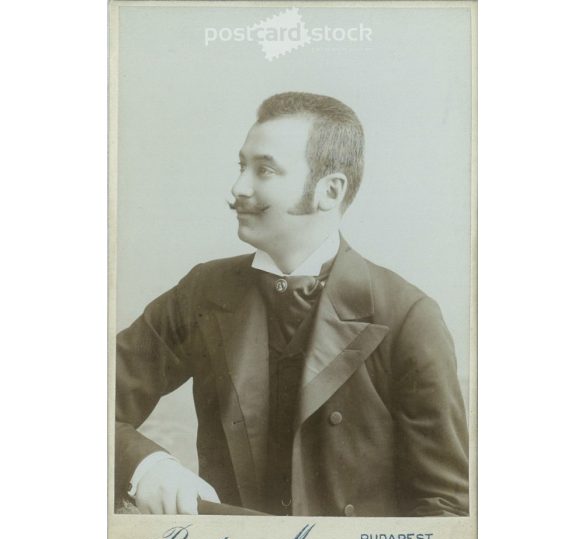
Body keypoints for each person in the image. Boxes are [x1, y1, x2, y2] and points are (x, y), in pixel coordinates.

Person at [115, 92, 469, 517]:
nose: (238, 187)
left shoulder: (408, 317)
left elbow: (444, 509)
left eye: (264, 170)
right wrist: (146, 466)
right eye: (242, 166)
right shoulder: (202, 292)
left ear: (329, 191)